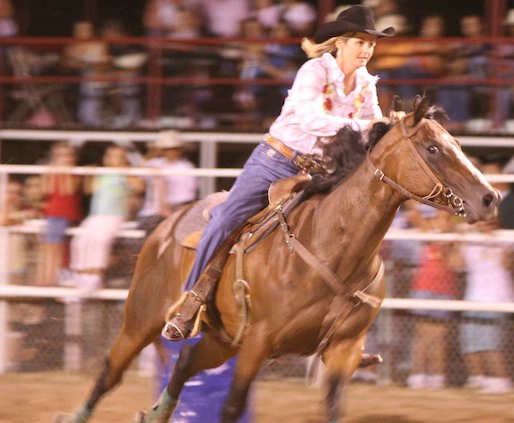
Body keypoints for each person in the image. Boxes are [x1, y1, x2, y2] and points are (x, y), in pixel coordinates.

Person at [161, 5, 396, 340]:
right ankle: (190, 300)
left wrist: (388, 129)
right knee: (228, 218)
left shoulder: (365, 84)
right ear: (339, 43)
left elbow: (373, 128)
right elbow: (310, 120)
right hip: (277, 160)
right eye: (360, 42)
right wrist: (367, 125)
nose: (367, 49)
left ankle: (338, 325)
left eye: (371, 44)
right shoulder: (314, 71)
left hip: (322, 170)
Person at [70, 145, 145, 291]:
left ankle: (95, 277)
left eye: (118, 156)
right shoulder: (103, 173)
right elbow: (89, 190)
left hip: (114, 215)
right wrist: (89, 175)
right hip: (96, 214)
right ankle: (80, 276)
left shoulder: (125, 173)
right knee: (80, 241)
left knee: (100, 241)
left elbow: (140, 187)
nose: (113, 159)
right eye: (110, 156)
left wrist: (127, 172)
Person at [456, 218, 514, 394]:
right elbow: (457, 264)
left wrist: (496, 242)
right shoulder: (469, 241)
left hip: (497, 298)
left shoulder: (506, 238)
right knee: (469, 344)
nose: (485, 224)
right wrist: (456, 243)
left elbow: (508, 264)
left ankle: (501, 381)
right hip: (473, 298)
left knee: (490, 344)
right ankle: (478, 379)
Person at [406, 208, 459, 389]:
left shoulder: (454, 239)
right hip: (424, 287)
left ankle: (437, 377)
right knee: (422, 336)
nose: (442, 222)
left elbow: (454, 262)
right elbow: (413, 214)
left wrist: (447, 240)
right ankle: (417, 376)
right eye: (439, 218)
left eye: (446, 219)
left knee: (438, 338)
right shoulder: (427, 232)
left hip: (444, 290)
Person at [36, 142, 83, 286]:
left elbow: (67, 190)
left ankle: (51, 280)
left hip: (66, 214)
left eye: (68, 155)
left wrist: (64, 172)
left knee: (58, 248)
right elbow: (45, 191)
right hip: (52, 214)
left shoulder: (75, 173)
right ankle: (46, 279)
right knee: (49, 247)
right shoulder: (52, 172)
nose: (64, 158)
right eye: (60, 155)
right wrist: (49, 174)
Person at [136, 129, 198, 235]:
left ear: (180, 150)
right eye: (166, 149)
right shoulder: (154, 163)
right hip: (152, 212)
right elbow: (139, 181)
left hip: (175, 212)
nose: (171, 152)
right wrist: (154, 152)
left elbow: (186, 199)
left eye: (174, 149)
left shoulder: (186, 167)